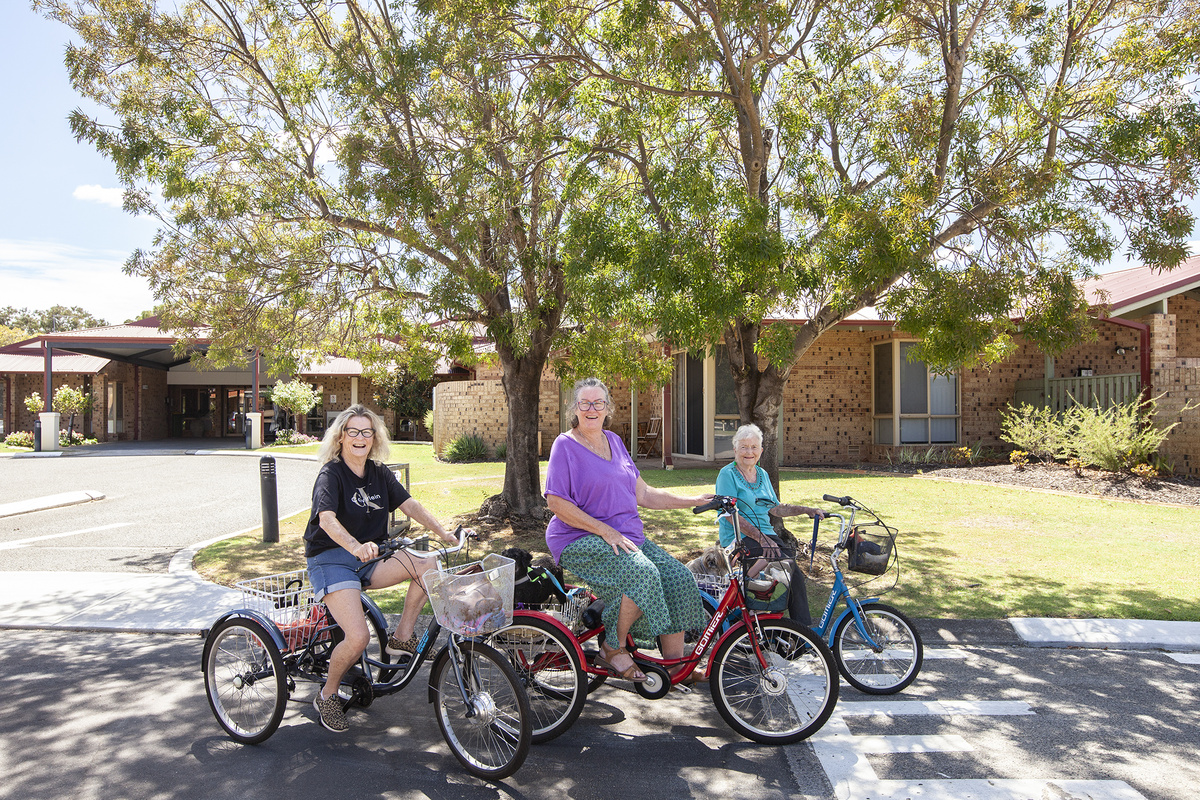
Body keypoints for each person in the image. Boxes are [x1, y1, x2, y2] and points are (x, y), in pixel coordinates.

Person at [303, 404, 464, 733]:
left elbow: (410, 505)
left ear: (374, 438)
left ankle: (402, 636)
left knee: (428, 564)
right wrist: (355, 546)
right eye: (353, 432)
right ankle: (328, 694)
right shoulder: (331, 474)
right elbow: (327, 520)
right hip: (332, 559)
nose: (360, 438)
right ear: (341, 438)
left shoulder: (378, 472)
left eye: (366, 432)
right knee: (358, 636)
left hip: (371, 557)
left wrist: (445, 534)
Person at [545, 377, 711, 683]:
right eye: (585, 403)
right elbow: (556, 502)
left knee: (678, 576)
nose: (591, 409)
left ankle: (675, 666)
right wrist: (605, 531)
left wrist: (694, 499)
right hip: (578, 537)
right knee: (642, 573)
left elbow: (645, 495)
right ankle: (613, 647)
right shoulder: (565, 445)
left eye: (598, 403)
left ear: (608, 408)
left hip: (627, 538)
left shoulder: (615, 441)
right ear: (575, 408)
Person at [714, 423, 825, 625]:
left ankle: (802, 635)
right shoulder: (727, 474)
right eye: (744, 447)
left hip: (767, 538)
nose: (749, 452)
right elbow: (730, 514)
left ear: (761, 451)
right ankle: (758, 627)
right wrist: (760, 537)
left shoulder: (763, 475)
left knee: (794, 576)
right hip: (739, 539)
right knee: (775, 573)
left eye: (754, 447)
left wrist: (807, 510)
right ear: (735, 449)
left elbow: (776, 508)